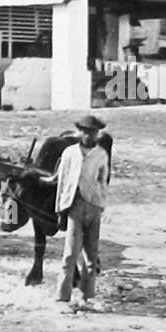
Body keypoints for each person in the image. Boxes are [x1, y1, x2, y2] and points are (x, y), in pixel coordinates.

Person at [51, 114, 111, 311]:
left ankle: (86, 296)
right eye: (85, 131)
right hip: (74, 206)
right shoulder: (69, 153)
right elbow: (62, 181)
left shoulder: (101, 155)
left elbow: (103, 181)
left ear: (97, 134)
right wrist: (60, 209)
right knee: (70, 254)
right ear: (79, 132)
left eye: (93, 132)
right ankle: (63, 297)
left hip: (93, 206)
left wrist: (101, 204)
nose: (89, 135)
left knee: (91, 255)